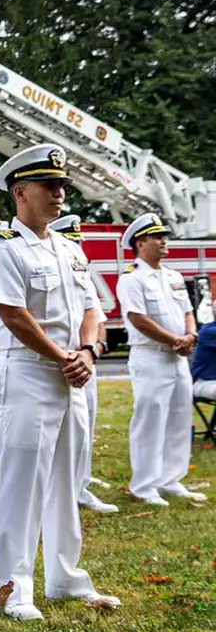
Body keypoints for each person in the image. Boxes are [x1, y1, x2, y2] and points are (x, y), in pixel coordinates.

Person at [0, 144, 119, 620]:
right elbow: (13, 315)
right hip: (28, 374)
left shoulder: (70, 249)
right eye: (50, 186)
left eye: (62, 185)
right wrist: (65, 356)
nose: (60, 193)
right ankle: (13, 588)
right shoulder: (3, 249)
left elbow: (89, 310)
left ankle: (65, 578)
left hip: (70, 375)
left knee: (66, 481)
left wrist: (87, 350)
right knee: (22, 485)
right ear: (20, 192)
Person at [116, 213, 205, 506]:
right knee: (150, 420)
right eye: (157, 237)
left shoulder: (173, 276)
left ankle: (171, 478)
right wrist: (175, 340)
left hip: (178, 357)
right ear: (141, 243)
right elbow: (137, 319)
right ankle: (144, 484)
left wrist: (190, 336)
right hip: (151, 357)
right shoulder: (132, 278)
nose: (164, 241)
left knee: (179, 417)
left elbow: (188, 312)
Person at [49, 215, 117, 514]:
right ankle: (58, 490)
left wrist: (92, 351)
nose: (76, 248)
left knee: (84, 428)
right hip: (57, 363)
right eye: (71, 241)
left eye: (78, 243)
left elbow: (98, 321)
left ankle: (81, 484)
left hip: (86, 362)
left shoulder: (82, 275)